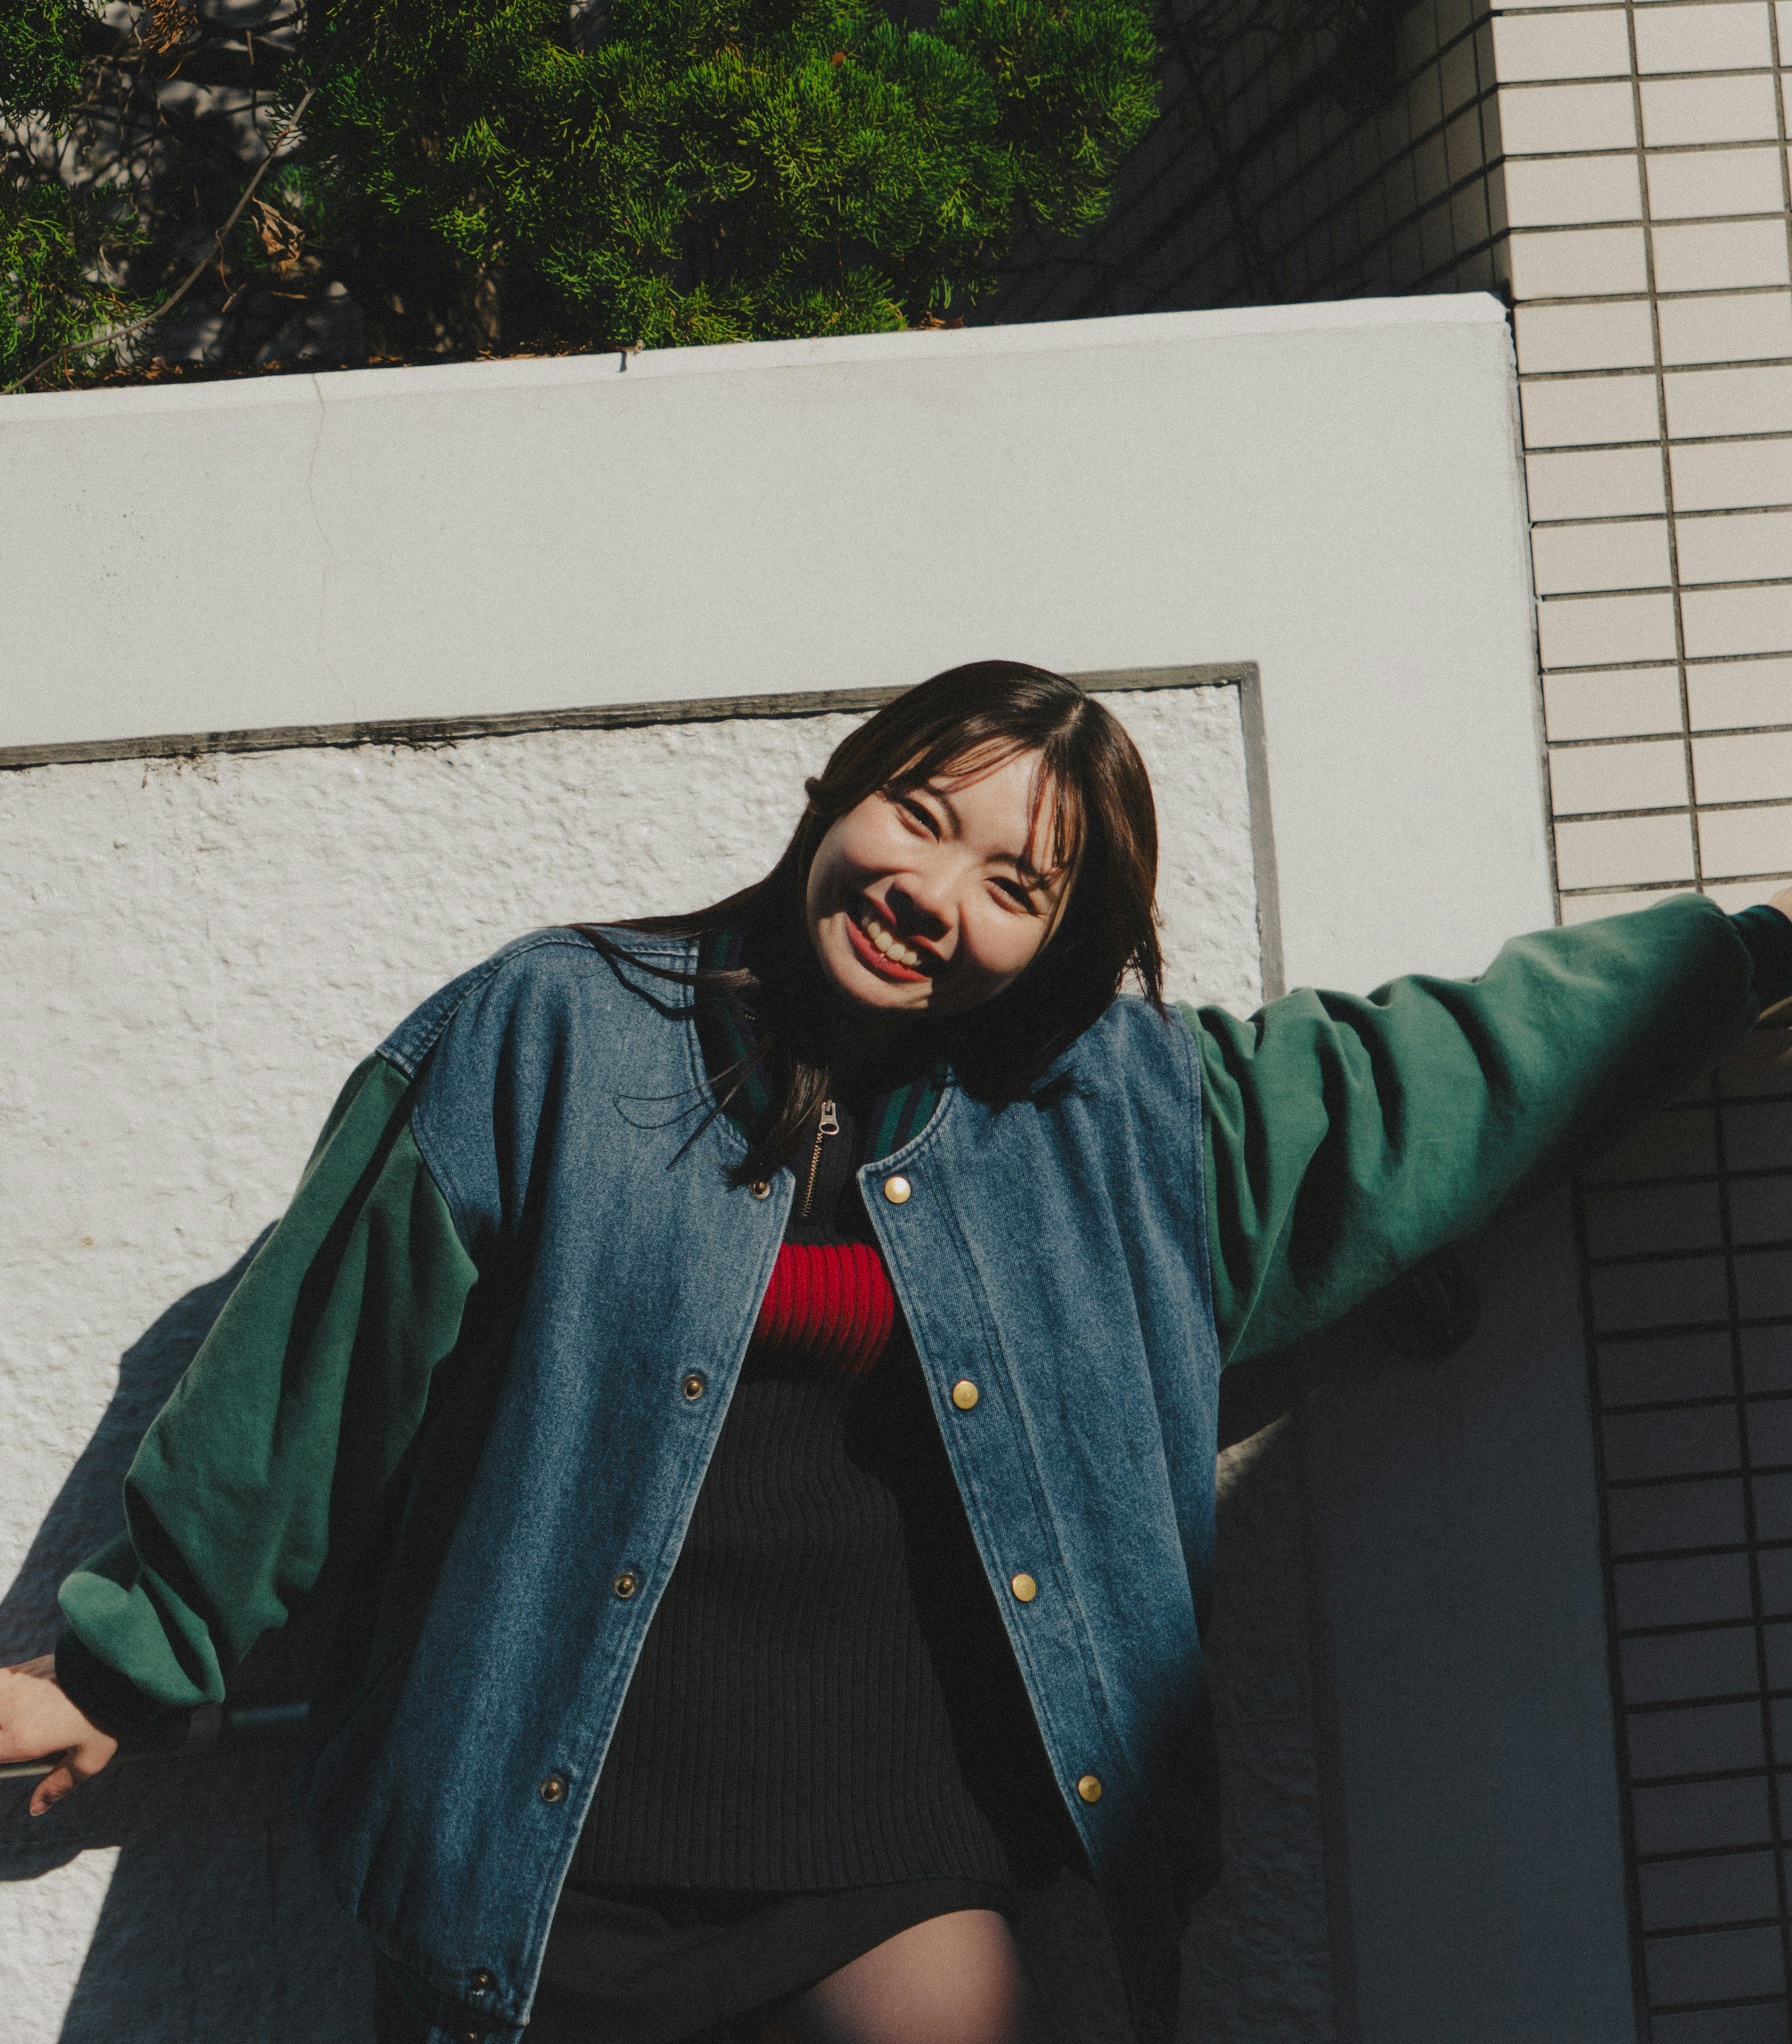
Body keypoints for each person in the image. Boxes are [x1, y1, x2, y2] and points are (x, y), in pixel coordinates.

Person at [3, 658, 1788, 2044]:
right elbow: (324, 1362)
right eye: (919, 815)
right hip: (538, 1839)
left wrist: (1736, 964)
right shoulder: (551, 1029)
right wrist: (122, 1662)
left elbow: (1443, 1075)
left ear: (1061, 944)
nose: (936, 889)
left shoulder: (1134, 1127)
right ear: (835, 795)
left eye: (1016, 881)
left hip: (896, 1849)